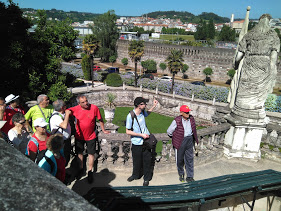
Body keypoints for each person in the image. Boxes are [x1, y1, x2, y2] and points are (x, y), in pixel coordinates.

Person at [230, 14, 280, 122]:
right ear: (269, 22)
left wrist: (236, 64)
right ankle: (255, 109)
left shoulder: (250, 34)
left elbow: (239, 54)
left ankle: (242, 107)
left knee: (245, 88)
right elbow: (274, 57)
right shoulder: (273, 35)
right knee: (258, 91)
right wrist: (271, 70)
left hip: (249, 63)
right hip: (264, 64)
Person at [68, 94, 110, 183]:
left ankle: (90, 171)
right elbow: (65, 112)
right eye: (83, 102)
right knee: (79, 153)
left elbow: (100, 119)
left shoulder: (94, 108)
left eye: (86, 101)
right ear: (79, 103)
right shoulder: (75, 109)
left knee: (91, 153)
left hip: (91, 136)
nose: (86, 103)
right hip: (79, 136)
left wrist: (104, 130)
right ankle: (80, 169)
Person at [126, 97, 158, 186]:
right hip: (137, 142)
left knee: (147, 161)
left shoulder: (143, 112)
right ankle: (135, 175)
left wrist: (154, 106)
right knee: (136, 161)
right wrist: (141, 135)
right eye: (144, 104)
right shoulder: (130, 116)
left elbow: (148, 113)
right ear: (139, 105)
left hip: (146, 142)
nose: (146, 105)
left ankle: (146, 178)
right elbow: (127, 131)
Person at [167, 105, 198, 183]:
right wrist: (177, 137)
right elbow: (169, 131)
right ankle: (181, 174)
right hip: (180, 141)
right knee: (179, 160)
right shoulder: (177, 120)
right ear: (181, 113)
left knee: (190, 159)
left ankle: (190, 177)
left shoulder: (191, 118)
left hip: (190, 140)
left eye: (188, 112)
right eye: (186, 112)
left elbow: (194, 129)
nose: (188, 114)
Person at [49, 99, 72, 166]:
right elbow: (64, 126)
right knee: (62, 159)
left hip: (65, 140)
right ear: (62, 107)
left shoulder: (61, 114)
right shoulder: (56, 117)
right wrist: (67, 114)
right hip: (61, 142)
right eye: (65, 105)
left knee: (66, 157)